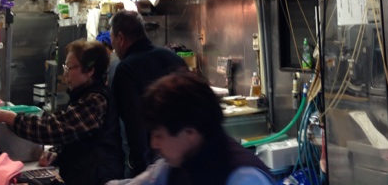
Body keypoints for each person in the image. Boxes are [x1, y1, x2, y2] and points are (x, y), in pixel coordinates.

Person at [0, 39, 124, 185]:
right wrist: (57, 153)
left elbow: (56, 128)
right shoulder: (83, 96)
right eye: (65, 67)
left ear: (89, 70)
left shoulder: (96, 100)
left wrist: (12, 118)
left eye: (70, 67)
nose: (65, 74)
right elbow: (77, 138)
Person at [112, 70, 274, 185]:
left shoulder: (243, 178)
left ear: (190, 132)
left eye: (159, 135)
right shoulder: (173, 166)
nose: (154, 143)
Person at [110, 10, 187, 177]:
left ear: (120, 38)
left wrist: (140, 168)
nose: (113, 47)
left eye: (112, 40)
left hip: (152, 162)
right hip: (183, 155)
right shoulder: (173, 58)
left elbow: (134, 123)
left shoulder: (126, 69)